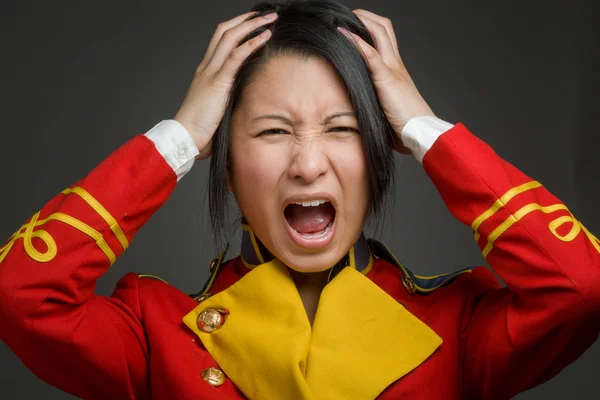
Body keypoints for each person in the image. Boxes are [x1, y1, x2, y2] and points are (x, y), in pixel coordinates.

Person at [0, 0, 598, 399]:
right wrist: (177, 139)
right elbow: (20, 294)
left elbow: (581, 287)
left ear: (380, 153)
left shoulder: (458, 326)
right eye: (272, 131)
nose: (309, 165)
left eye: (342, 130)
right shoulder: (155, 331)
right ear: (226, 167)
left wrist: (425, 128)